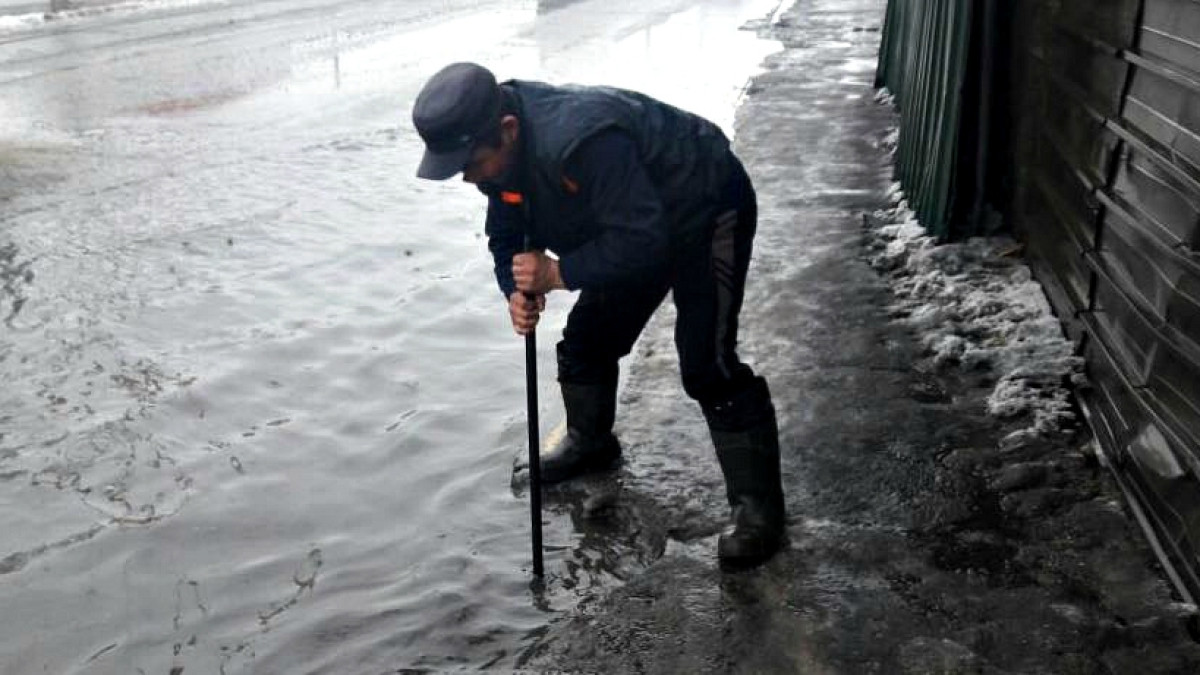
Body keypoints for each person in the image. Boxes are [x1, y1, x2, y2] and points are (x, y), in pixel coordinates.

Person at [412, 62, 785, 565]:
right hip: (632, 226)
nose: (469, 177)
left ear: (508, 129)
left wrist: (557, 273)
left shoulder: (582, 142)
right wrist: (515, 291)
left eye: (472, 163)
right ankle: (590, 442)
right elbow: (506, 234)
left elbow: (643, 241)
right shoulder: (501, 160)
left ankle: (759, 512)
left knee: (706, 363)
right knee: (586, 342)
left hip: (703, 204)